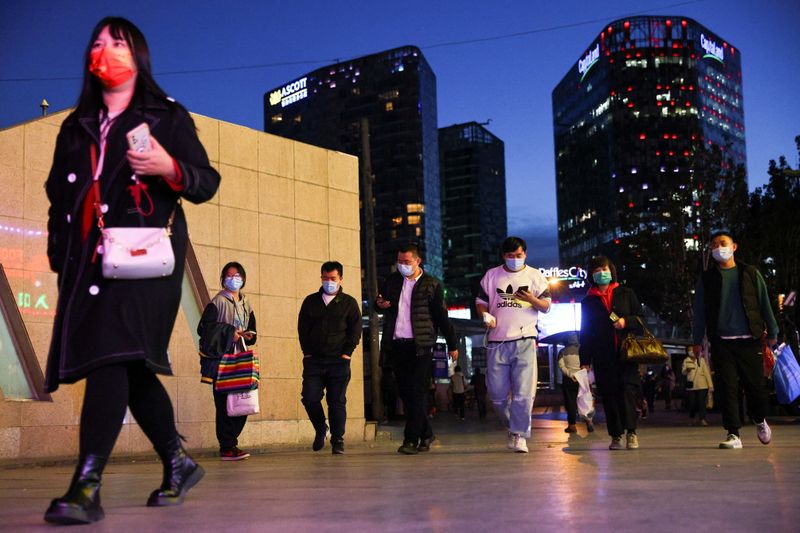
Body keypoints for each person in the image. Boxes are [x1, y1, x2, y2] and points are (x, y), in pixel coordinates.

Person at [42, 17, 220, 524]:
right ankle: (178, 461)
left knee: (109, 361)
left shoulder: (165, 117)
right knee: (130, 366)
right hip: (90, 266)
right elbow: (59, 199)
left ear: (137, 55)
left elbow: (206, 182)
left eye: (116, 43)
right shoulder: (75, 127)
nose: (105, 51)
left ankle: (86, 485)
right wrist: (61, 257)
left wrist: (170, 168)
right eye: (97, 44)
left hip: (146, 262)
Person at [692, 231, 779, 449]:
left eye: (723, 243)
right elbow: (700, 311)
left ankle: (759, 420)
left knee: (755, 387)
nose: (718, 247)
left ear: (734, 247)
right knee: (727, 388)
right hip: (721, 341)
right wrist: (697, 340)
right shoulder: (707, 278)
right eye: (714, 245)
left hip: (749, 339)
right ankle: (733, 433)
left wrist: (774, 332)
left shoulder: (749, 273)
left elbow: (763, 302)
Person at [376, 242, 459, 455]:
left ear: (417, 261)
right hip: (396, 344)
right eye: (399, 261)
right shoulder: (392, 282)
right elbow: (380, 303)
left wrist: (452, 343)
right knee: (405, 393)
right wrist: (380, 304)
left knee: (417, 391)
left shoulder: (431, 284)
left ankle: (410, 439)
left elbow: (441, 316)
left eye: (407, 261)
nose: (402, 265)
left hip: (421, 345)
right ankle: (427, 433)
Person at [475, 236, 551, 453]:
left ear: (525, 254)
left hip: (525, 339)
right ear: (503, 256)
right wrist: (485, 315)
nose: (515, 259)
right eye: (510, 256)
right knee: (497, 396)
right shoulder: (492, 275)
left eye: (518, 256)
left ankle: (519, 435)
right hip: (497, 341)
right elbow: (480, 301)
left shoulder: (535, 276)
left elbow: (546, 306)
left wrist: (531, 299)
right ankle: (512, 426)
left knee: (523, 393)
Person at [579, 256, 643, 450]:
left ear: (611, 270)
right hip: (603, 355)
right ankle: (616, 435)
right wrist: (585, 359)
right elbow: (586, 331)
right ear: (591, 274)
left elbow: (640, 319)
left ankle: (631, 432)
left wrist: (626, 322)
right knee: (609, 395)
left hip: (627, 353)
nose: (601, 273)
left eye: (604, 268)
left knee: (628, 392)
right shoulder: (588, 301)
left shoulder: (626, 293)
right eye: (596, 270)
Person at [297, 261, 362, 454]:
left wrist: (346, 354)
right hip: (314, 361)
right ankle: (320, 428)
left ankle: (337, 439)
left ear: (340, 278)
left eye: (333, 278)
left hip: (338, 361)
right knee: (309, 397)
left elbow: (355, 330)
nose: (329, 282)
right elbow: (302, 329)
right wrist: (307, 352)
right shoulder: (311, 301)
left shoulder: (349, 303)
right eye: (325, 278)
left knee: (336, 401)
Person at [198, 262, 257, 460]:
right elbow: (205, 330)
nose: (234, 279)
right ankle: (228, 446)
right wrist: (230, 333)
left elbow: (253, 328)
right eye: (229, 275)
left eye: (238, 275)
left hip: (241, 359)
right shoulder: (217, 302)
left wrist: (248, 335)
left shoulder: (246, 302)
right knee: (224, 404)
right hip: (222, 361)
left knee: (243, 402)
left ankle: (230, 442)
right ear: (223, 279)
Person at [558, 333, 594, 433]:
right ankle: (588, 420)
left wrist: (570, 374)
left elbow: (561, 366)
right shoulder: (582, 350)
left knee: (571, 402)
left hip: (569, 380)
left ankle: (572, 425)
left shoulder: (562, 351)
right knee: (585, 400)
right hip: (582, 377)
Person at [682, 351, 713, 426]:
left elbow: (706, 373)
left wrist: (710, 385)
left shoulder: (701, 360)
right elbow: (683, 372)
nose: (691, 352)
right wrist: (687, 370)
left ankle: (702, 419)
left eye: (693, 350)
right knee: (692, 403)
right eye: (690, 350)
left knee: (701, 403)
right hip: (691, 386)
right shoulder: (686, 360)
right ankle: (692, 419)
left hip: (702, 385)